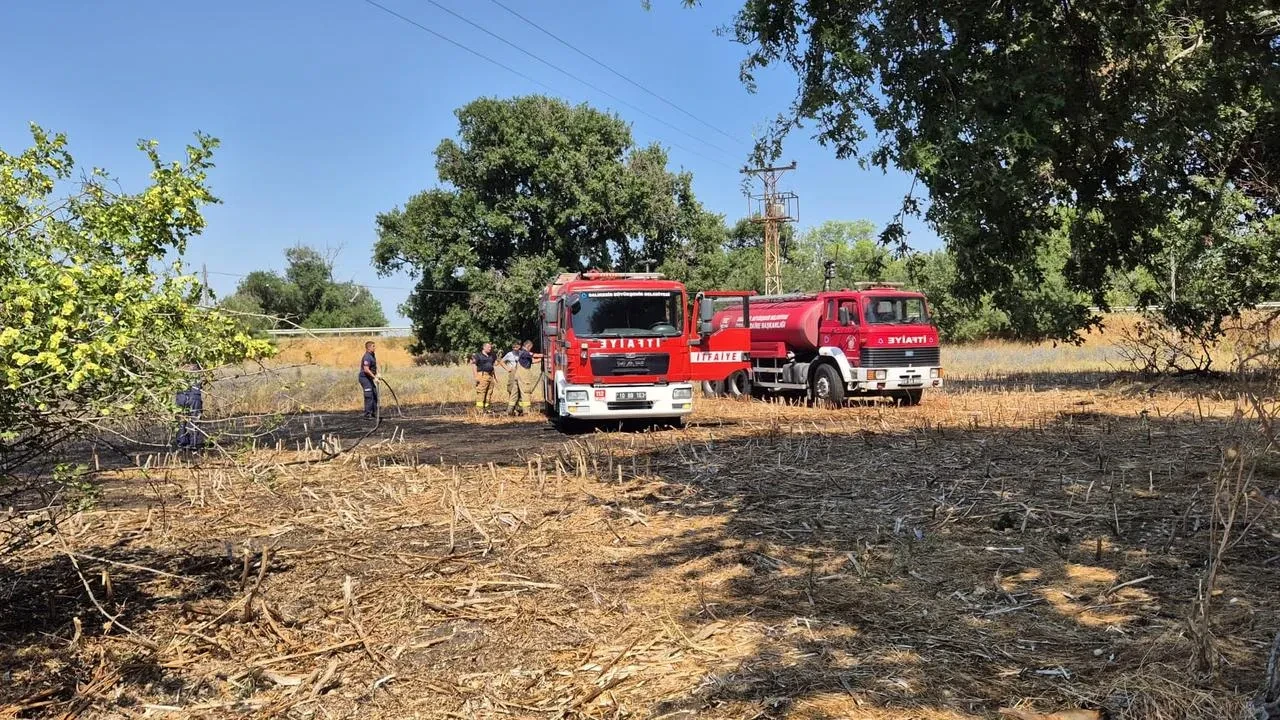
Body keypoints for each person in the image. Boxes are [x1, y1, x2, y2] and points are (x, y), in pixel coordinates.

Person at [176, 362, 204, 449]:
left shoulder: (179, 367)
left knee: (181, 420)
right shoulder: (196, 367)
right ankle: (194, 443)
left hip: (181, 396)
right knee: (195, 419)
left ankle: (181, 442)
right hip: (194, 396)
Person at [471, 342, 497, 412]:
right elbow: (473, 365)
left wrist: (494, 377)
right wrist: (476, 376)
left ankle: (487, 408)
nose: (490, 348)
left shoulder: (492, 356)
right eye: (488, 347)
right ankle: (479, 410)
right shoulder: (478, 355)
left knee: (489, 392)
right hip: (482, 375)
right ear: (484, 347)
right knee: (481, 392)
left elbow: (493, 366)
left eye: (490, 347)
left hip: (490, 376)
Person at [512, 340, 537, 415]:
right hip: (523, 375)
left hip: (518, 375)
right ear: (528, 346)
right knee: (525, 392)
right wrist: (545, 355)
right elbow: (533, 355)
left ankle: (510, 410)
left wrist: (541, 360)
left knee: (514, 393)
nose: (531, 349)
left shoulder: (521, 353)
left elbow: (532, 361)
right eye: (530, 348)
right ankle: (526, 411)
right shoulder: (525, 352)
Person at [359, 341, 379, 420]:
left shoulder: (372, 355)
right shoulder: (367, 356)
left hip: (369, 378)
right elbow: (366, 369)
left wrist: (377, 374)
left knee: (374, 394)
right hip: (364, 378)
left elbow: (373, 367)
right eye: (373, 346)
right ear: (369, 347)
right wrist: (374, 377)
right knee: (369, 395)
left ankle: (373, 413)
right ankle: (367, 414)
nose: (375, 348)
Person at [501, 341, 521, 414]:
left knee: (520, 390)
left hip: (520, 373)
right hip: (512, 373)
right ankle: (512, 409)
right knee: (511, 389)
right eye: (513, 347)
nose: (515, 349)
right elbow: (501, 361)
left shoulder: (521, 353)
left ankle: (518, 408)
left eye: (516, 347)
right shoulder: (509, 354)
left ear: (519, 347)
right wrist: (507, 369)